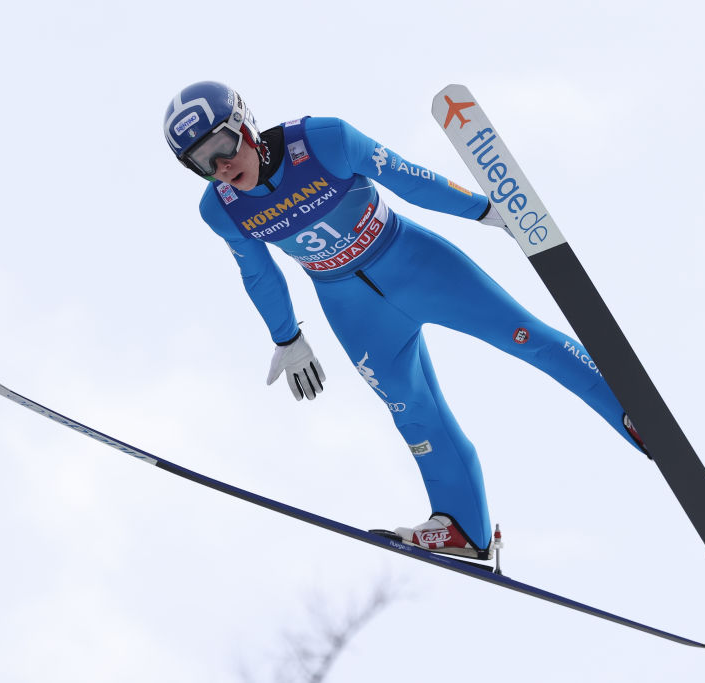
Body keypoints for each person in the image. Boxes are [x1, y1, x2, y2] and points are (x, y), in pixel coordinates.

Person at [163, 81, 646, 560]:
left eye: (222, 146)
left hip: (415, 263)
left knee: (522, 337)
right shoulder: (222, 209)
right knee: (412, 412)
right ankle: (463, 527)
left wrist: (482, 209)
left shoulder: (321, 139)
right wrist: (287, 338)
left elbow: (409, 177)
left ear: (244, 124)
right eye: (202, 163)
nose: (222, 167)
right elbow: (258, 273)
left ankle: (632, 413)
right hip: (352, 308)